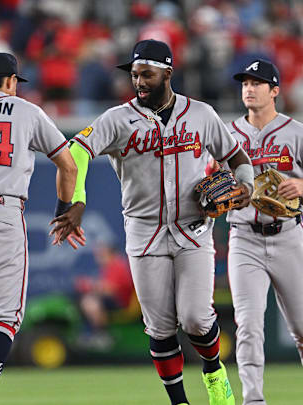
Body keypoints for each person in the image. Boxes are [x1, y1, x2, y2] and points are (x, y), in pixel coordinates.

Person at [52, 39, 253, 405]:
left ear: (168, 73)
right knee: (160, 329)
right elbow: (75, 153)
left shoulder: (201, 114)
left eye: (146, 73)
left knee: (195, 318)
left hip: (193, 229)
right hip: (144, 234)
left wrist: (247, 185)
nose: (139, 81)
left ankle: (213, 372)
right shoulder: (116, 118)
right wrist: (75, 199)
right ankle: (179, 401)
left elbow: (235, 155)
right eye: (134, 74)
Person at [0, 51, 81, 405]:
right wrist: (62, 210)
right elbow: (68, 165)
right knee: (4, 318)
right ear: (11, 82)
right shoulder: (26, 110)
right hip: (2, 212)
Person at [224, 58, 303, 404]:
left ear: (275, 91)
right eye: (245, 83)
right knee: (247, 325)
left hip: (287, 235)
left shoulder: (297, 133)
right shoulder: (226, 134)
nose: (249, 88)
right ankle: (253, 399)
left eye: (257, 83)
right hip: (243, 236)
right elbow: (208, 176)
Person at [75, 242, 135, 346]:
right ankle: (91, 334)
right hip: (113, 300)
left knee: (90, 302)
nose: (98, 257)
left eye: (101, 254)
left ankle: (102, 335)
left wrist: (90, 285)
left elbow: (112, 289)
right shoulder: (109, 266)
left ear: (109, 253)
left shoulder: (118, 265)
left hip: (121, 303)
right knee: (87, 300)